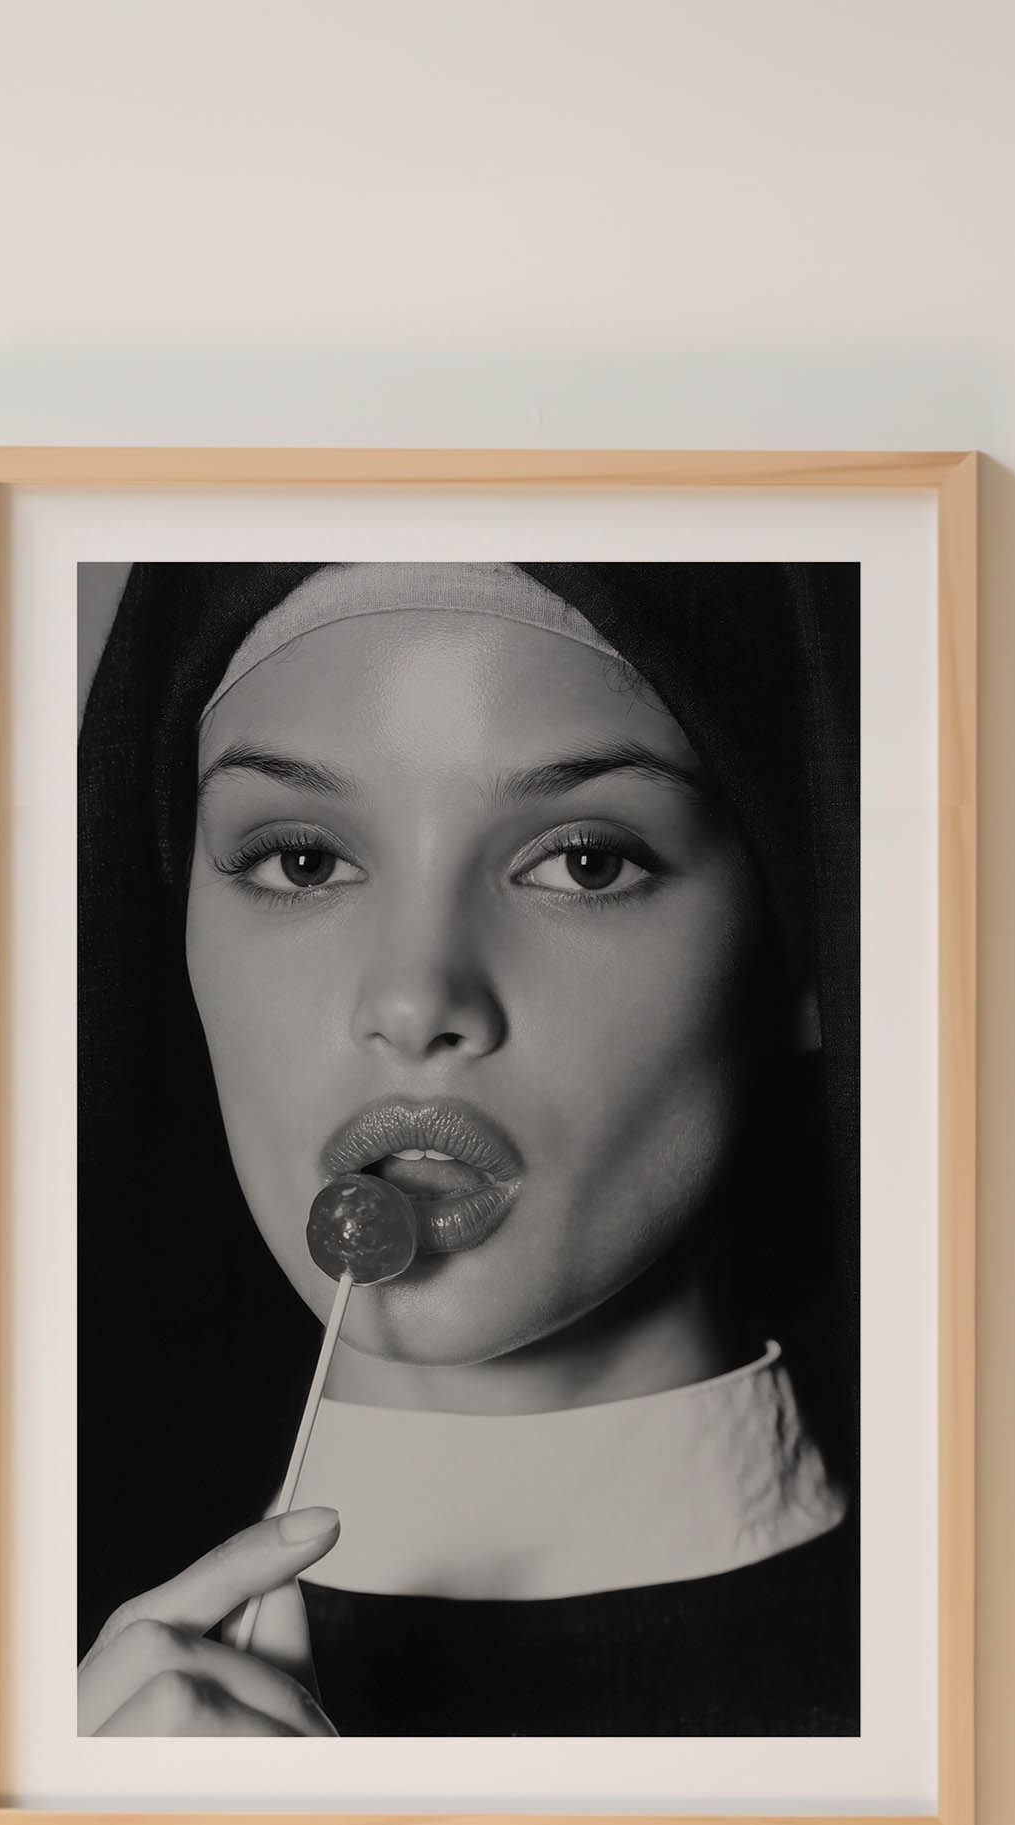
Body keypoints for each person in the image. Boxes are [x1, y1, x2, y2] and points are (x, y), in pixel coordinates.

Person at [71, 560, 863, 1739]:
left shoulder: (1006, 1675)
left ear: (805, 941)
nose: (413, 997)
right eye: (302, 859)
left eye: (585, 860)